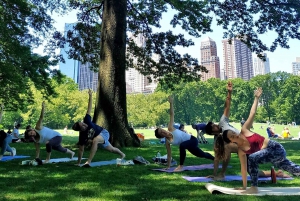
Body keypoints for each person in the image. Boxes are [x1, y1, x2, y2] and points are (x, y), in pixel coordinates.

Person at [216, 88, 300, 194]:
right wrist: (244, 187)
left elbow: (252, 113)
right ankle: (251, 187)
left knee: (251, 158)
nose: (236, 135)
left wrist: (256, 98)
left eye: (234, 133)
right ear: (231, 141)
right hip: (272, 158)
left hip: (275, 148)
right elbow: (243, 169)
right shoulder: (241, 151)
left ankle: (254, 187)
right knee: (295, 170)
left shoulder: (244, 130)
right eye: (232, 137)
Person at [154, 95, 214, 172]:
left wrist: (171, 103)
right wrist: (168, 167)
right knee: (202, 155)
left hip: (192, 140)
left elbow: (172, 115)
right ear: (161, 136)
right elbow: (169, 155)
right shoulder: (167, 142)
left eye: (162, 129)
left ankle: (181, 166)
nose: (163, 131)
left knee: (182, 146)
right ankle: (216, 159)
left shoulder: (170, 128)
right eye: (161, 132)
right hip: (188, 145)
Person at [71, 89, 125, 167]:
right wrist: (78, 163)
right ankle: (122, 154)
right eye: (82, 126)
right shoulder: (82, 136)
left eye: (82, 123)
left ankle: (88, 162)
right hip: (98, 137)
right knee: (112, 149)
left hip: (103, 133)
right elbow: (81, 150)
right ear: (80, 130)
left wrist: (90, 95)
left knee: (95, 140)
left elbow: (89, 109)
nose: (84, 124)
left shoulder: (87, 120)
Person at [205, 81, 241, 180]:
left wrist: (229, 92)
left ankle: (222, 174)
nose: (216, 125)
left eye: (214, 124)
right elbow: (217, 158)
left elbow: (227, 107)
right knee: (252, 172)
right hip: (242, 148)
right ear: (212, 132)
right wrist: (214, 174)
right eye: (213, 126)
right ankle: (277, 174)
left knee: (227, 148)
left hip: (245, 141)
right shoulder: (217, 141)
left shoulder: (222, 123)